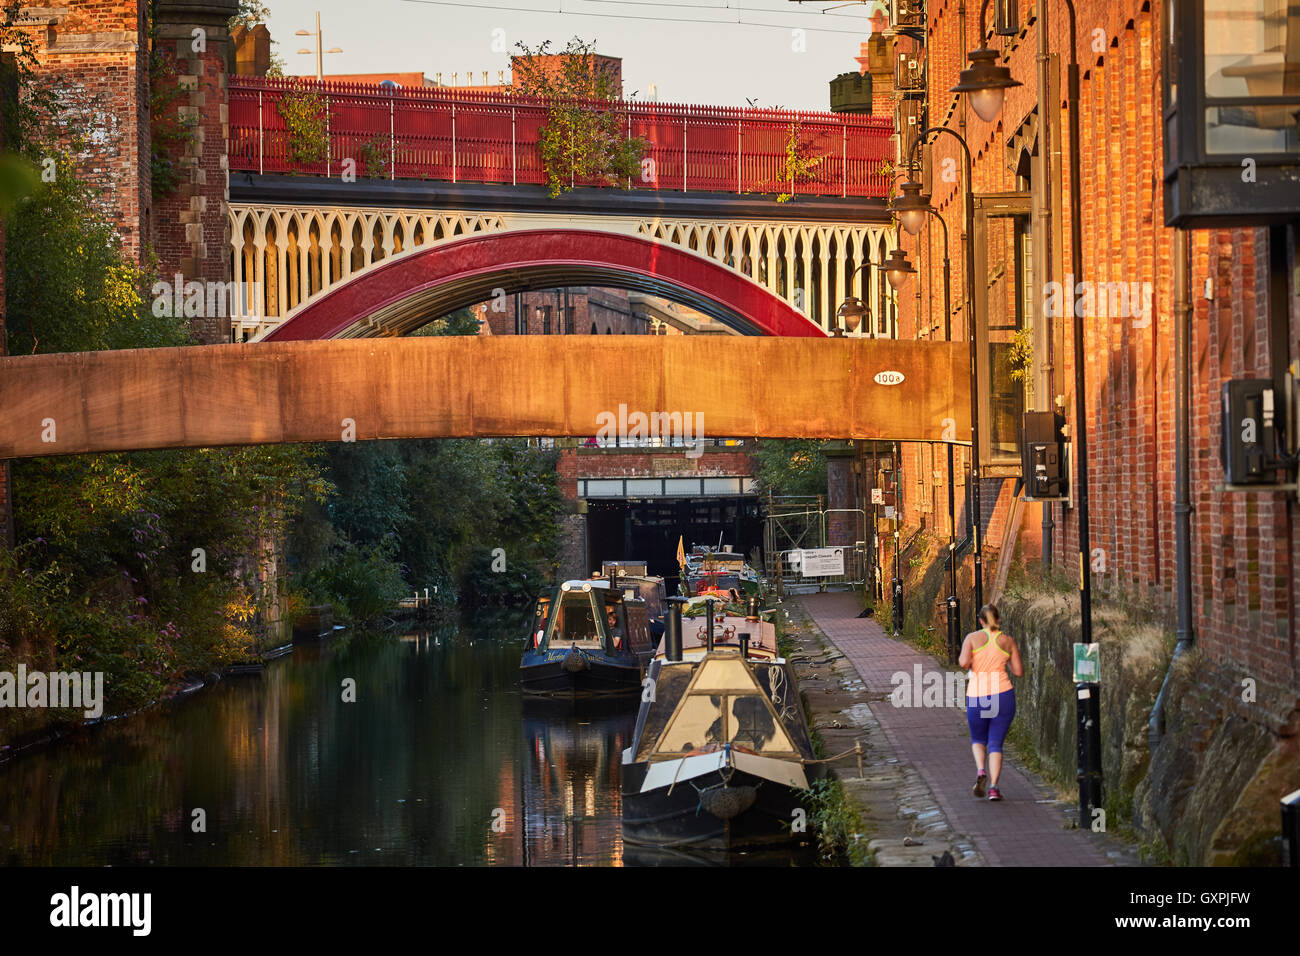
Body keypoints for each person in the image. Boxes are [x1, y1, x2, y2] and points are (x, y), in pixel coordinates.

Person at [957, 604, 1023, 801]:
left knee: (978, 740)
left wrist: (974, 661)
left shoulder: (972, 638)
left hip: (978, 695)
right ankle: (994, 787)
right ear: (999, 619)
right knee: (996, 743)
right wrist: (1006, 660)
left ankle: (980, 770)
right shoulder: (1007, 641)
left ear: (981, 621)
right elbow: (1018, 671)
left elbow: (963, 662)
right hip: (1003, 694)